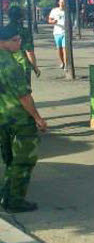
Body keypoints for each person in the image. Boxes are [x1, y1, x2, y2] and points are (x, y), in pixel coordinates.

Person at [0, 25, 47, 213]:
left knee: (10, 160)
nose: (19, 43)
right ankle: (15, 200)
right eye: (15, 40)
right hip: (19, 119)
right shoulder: (11, 65)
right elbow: (24, 96)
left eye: (19, 39)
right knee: (24, 161)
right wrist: (38, 118)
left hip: (2, 118)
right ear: (3, 42)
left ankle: (6, 194)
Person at [5, 7, 41, 85]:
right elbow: (29, 51)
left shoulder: (4, 31)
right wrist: (35, 67)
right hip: (21, 65)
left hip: (6, 65)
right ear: (21, 17)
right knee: (24, 91)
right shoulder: (24, 31)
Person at [48, 0, 67, 70]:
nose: (62, 4)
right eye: (61, 2)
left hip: (65, 32)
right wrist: (53, 22)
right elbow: (49, 20)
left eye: (63, 2)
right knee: (59, 49)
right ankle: (62, 62)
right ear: (58, 3)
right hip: (57, 32)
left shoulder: (66, 11)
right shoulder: (54, 11)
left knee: (65, 49)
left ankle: (66, 64)